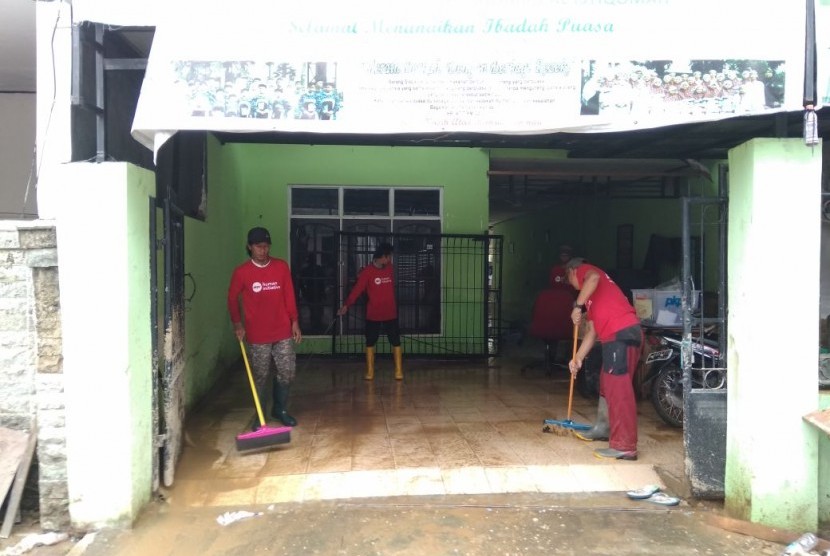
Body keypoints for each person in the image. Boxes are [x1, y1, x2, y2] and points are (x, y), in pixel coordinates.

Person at [565, 257, 642, 460]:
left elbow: (593, 278)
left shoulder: (586, 271)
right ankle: (603, 428)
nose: (573, 286)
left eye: (569, 280)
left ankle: (625, 446)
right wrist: (578, 358)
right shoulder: (594, 299)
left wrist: (577, 306)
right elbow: (592, 332)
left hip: (621, 334)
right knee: (607, 384)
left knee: (619, 390)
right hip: (616, 336)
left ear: (573, 272)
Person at [228, 226, 303, 428]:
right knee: (260, 376)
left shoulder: (281, 267)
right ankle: (260, 416)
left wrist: (294, 321)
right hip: (257, 334)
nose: (264, 251)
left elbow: (289, 295)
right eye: (259, 247)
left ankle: (280, 409)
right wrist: (237, 323)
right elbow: (232, 299)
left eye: (267, 246)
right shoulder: (242, 272)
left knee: (286, 371)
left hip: (282, 331)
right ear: (249, 247)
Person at [337, 243, 403, 381]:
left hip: (390, 313)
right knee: (370, 341)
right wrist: (346, 305)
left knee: (395, 341)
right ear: (382, 257)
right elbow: (356, 290)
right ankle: (370, 371)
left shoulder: (390, 268)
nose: (390, 260)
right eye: (388, 257)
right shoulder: (367, 272)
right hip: (373, 314)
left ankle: (398, 370)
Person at [299, 253, 326, 333]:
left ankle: (316, 326)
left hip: (314, 292)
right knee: (315, 310)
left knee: (316, 310)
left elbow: (322, 282)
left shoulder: (307, 270)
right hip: (313, 292)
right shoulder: (317, 269)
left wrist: (304, 291)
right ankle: (316, 326)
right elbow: (323, 282)